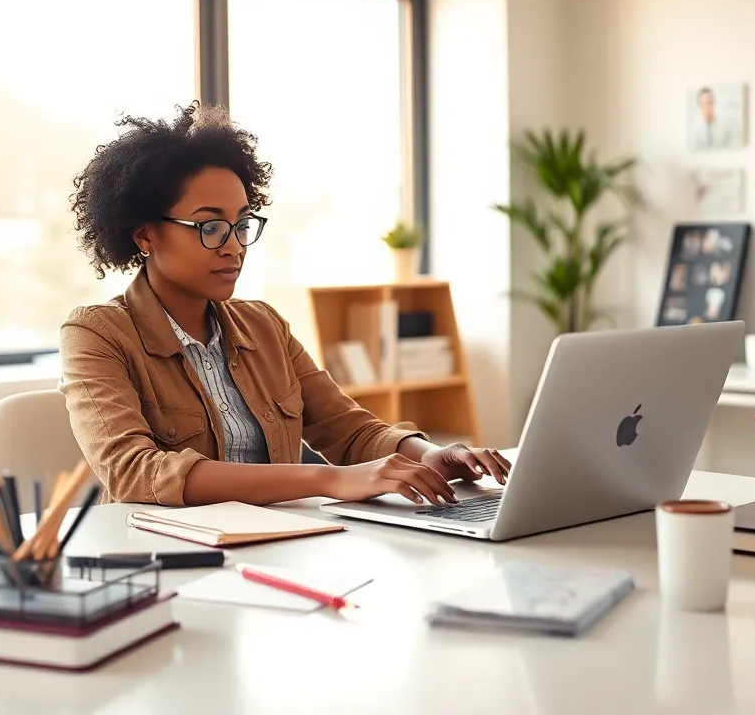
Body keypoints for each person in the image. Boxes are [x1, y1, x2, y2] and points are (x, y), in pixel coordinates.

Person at [59, 103, 512, 507]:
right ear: (144, 235)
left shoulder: (264, 325)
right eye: (210, 227)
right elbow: (135, 472)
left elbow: (349, 430)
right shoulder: (97, 335)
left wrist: (434, 456)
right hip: (175, 559)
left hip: (284, 546)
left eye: (242, 224)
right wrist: (326, 480)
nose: (234, 247)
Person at [691, 86, 735, 150]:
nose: (707, 107)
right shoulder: (694, 129)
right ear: (699, 106)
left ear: (714, 103)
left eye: (710, 102)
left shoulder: (725, 127)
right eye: (704, 104)